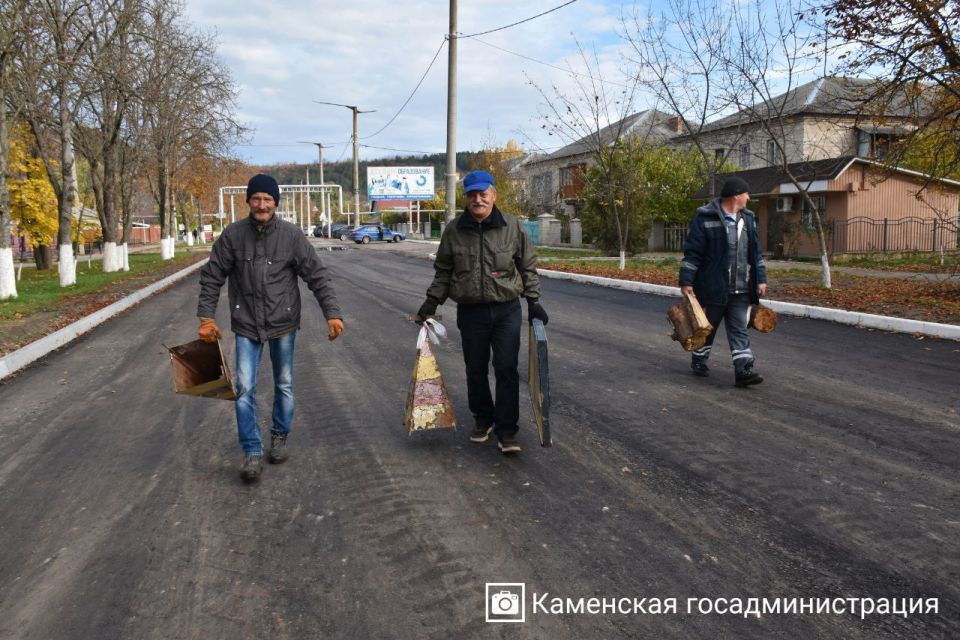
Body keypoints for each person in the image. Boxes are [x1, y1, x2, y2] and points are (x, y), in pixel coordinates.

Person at [197, 174, 344, 482]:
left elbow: (317, 275)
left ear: (275, 202)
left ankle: (279, 436)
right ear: (248, 201)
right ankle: (252, 450)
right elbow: (212, 277)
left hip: (282, 323)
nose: (262, 204)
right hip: (247, 324)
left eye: (267, 199)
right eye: (256, 199)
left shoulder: (291, 236)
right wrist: (206, 318)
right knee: (244, 388)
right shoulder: (233, 236)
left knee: (284, 384)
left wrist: (332, 313)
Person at [416, 170, 548, 455]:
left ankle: (507, 430)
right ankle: (483, 419)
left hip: (506, 310)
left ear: (493, 195)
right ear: (466, 197)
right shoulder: (454, 230)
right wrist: (431, 302)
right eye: (472, 194)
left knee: (506, 368)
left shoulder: (512, 226)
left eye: (483, 194)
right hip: (471, 311)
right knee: (475, 368)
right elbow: (443, 271)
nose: (478, 199)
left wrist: (533, 301)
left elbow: (527, 266)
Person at [680, 176, 767, 387]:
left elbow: (756, 253)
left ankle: (743, 370)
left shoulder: (748, 219)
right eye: (746, 194)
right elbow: (693, 253)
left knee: (739, 328)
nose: (749, 198)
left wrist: (761, 279)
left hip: (741, 288)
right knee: (708, 328)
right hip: (713, 286)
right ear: (736, 196)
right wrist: (686, 281)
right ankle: (699, 359)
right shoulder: (705, 218)